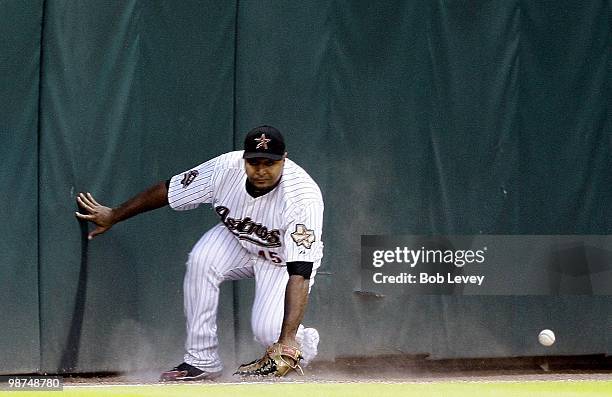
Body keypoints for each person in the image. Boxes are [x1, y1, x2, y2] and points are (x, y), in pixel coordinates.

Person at [75, 126, 324, 380]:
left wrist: (287, 339)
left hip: (281, 261)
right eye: (254, 162)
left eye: (269, 163)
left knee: (268, 332)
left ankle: (299, 343)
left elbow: (300, 273)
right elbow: (169, 190)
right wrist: (115, 214)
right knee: (202, 259)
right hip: (239, 240)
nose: (261, 170)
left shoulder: (302, 198)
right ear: (244, 159)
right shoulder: (224, 170)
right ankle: (201, 359)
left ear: (284, 159)